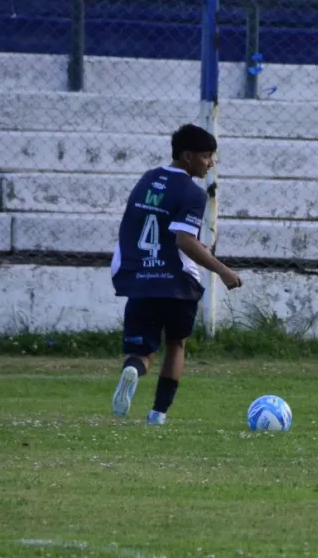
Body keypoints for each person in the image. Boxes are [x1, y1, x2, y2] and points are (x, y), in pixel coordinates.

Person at [110, 123, 242, 425]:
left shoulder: (147, 179)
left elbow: (141, 224)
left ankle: (134, 369)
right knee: (176, 344)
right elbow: (183, 241)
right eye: (206, 156)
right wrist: (222, 270)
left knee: (142, 350)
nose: (210, 163)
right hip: (178, 281)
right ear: (187, 156)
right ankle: (158, 413)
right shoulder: (192, 193)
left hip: (141, 276)